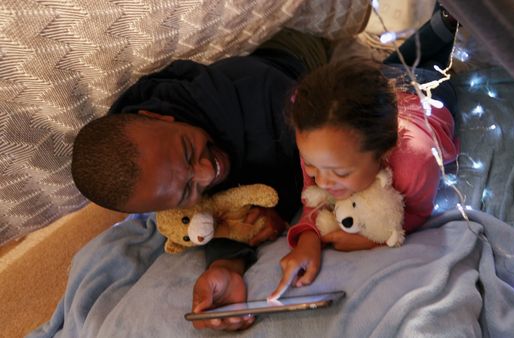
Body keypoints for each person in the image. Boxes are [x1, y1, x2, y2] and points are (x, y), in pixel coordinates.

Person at [71, 29, 330, 331]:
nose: (208, 172)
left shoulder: (255, 91)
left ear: (160, 117)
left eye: (187, 152)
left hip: (296, 54)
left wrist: (282, 209)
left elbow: (319, 160)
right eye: (186, 191)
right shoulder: (155, 172)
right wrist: (226, 264)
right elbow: (211, 211)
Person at [269, 5, 460, 300]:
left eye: (341, 173)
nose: (323, 182)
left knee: (439, 58)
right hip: (384, 85)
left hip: (427, 94)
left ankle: (450, 20)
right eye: (311, 166)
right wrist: (308, 238)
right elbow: (313, 200)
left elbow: (418, 212)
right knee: (402, 60)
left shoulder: (416, 161)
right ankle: (442, 22)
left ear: (384, 152)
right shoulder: (318, 143)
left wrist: (371, 239)